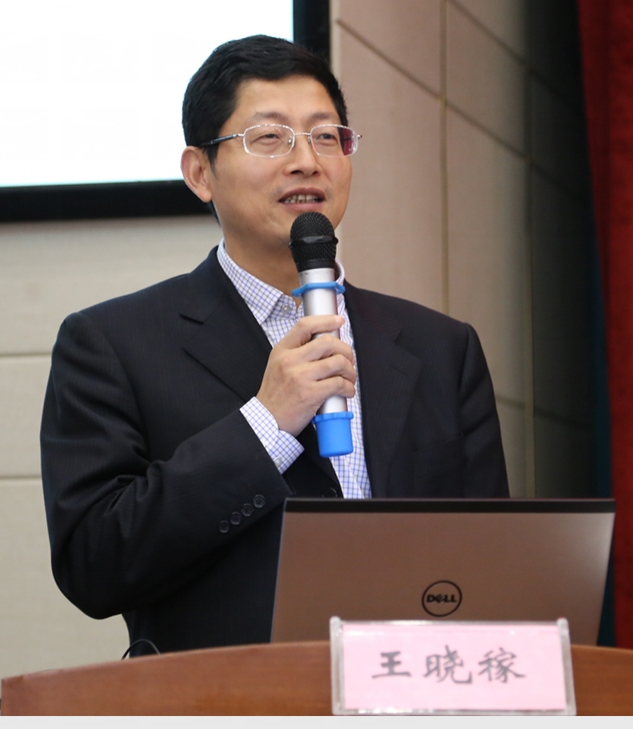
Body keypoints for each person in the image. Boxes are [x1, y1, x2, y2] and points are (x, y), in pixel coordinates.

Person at [40, 35, 509, 654]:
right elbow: (94, 565)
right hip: (223, 696)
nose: (306, 161)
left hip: (409, 685)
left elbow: (491, 560)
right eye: (270, 137)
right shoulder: (112, 345)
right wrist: (266, 424)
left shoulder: (442, 349)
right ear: (200, 173)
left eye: (326, 136)